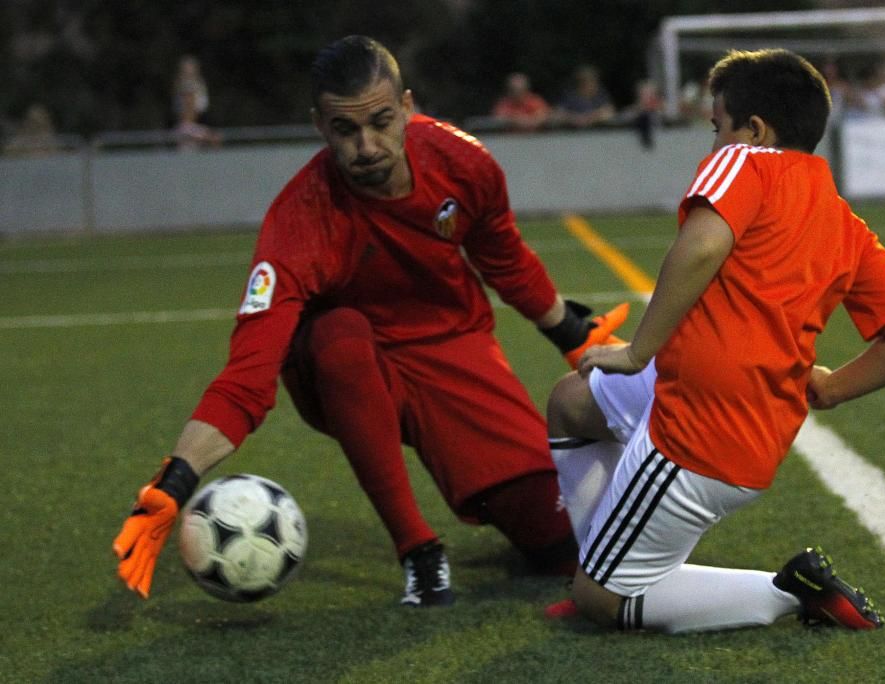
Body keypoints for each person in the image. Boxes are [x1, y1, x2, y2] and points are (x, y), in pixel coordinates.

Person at [112, 36, 628, 606]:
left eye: (381, 122)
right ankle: (418, 552)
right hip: (348, 371)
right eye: (345, 130)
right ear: (319, 126)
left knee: (561, 544)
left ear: (407, 106)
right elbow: (247, 378)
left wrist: (575, 338)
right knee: (338, 335)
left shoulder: (464, 162)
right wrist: (173, 484)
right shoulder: (300, 221)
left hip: (451, 346)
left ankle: (511, 504)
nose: (366, 146)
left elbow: (503, 257)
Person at [544, 48, 885, 634]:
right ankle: (600, 561)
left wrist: (636, 352)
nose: (713, 144)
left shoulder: (747, 163)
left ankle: (786, 592)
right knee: (572, 403)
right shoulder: (842, 219)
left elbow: (702, 247)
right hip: (726, 409)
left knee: (600, 603)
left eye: (716, 127)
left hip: (703, 429)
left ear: (754, 130)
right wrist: (829, 390)